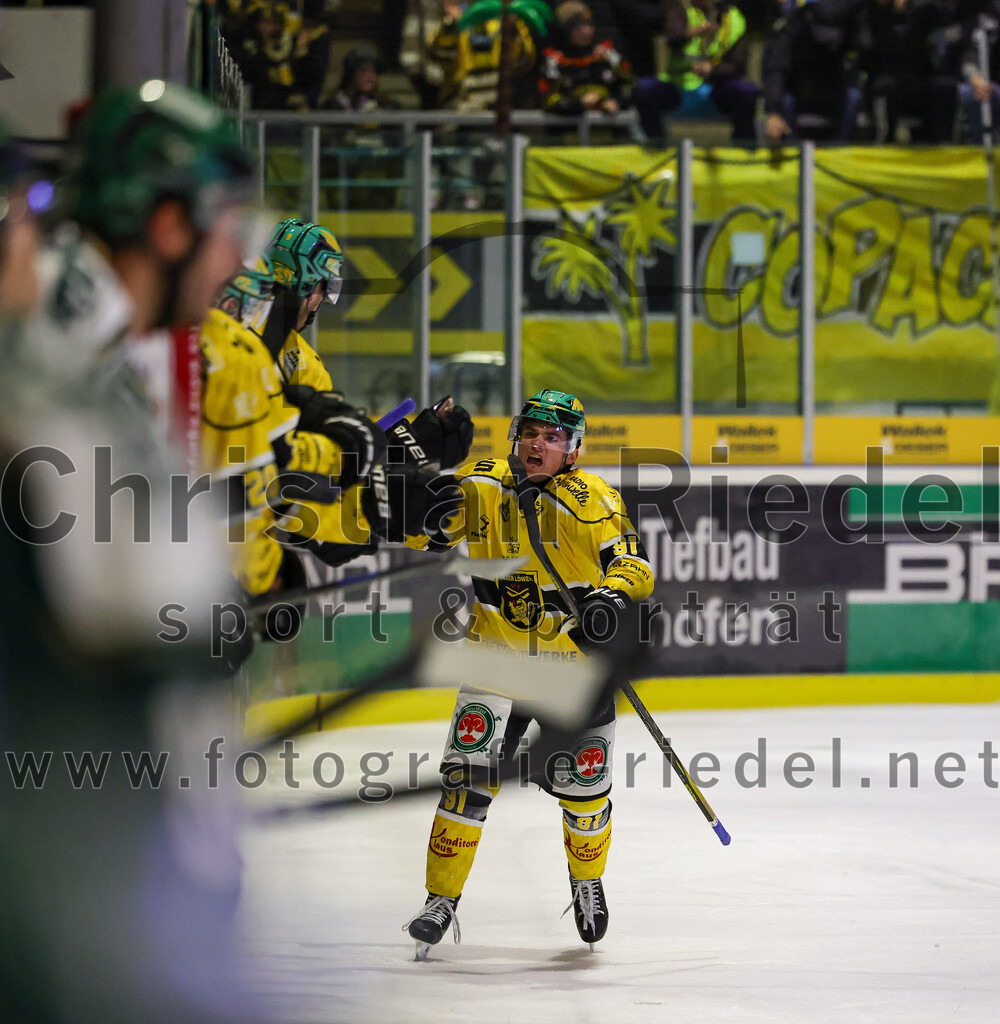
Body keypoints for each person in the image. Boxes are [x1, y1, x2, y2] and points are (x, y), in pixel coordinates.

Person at [1, 82, 261, 1024]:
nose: (235, 258)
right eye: (224, 224)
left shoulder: (93, 325)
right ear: (164, 224)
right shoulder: (59, 333)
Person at [402, 389, 654, 957]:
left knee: (583, 792)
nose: (537, 443)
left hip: (570, 667)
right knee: (466, 783)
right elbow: (430, 526)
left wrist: (611, 599)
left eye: (553, 436)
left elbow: (634, 565)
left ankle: (586, 882)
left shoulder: (593, 499)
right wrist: (428, 508)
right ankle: (440, 902)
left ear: (573, 448)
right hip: (494, 658)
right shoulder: (483, 481)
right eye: (531, 432)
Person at [634, 0, 760, 145]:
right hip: (679, 89)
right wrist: (693, 33)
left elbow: (738, 65)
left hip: (716, 90)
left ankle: (744, 151)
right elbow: (672, 39)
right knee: (645, 89)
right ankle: (656, 148)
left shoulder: (735, 19)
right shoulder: (681, 11)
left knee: (747, 91)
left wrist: (712, 69)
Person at [762, 0, 864, 143]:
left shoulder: (848, 28)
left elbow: (859, 59)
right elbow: (775, 69)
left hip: (831, 88)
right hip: (797, 90)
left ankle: (839, 150)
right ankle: (793, 152)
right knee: (785, 102)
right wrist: (774, 111)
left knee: (853, 97)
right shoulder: (791, 28)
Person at [539, 1, 634, 117]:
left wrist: (617, 102)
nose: (586, 31)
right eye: (578, 27)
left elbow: (629, 87)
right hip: (570, 130)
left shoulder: (608, 55)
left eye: (589, 25)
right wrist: (578, 104)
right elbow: (547, 100)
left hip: (609, 128)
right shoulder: (554, 60)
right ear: (565, 30)